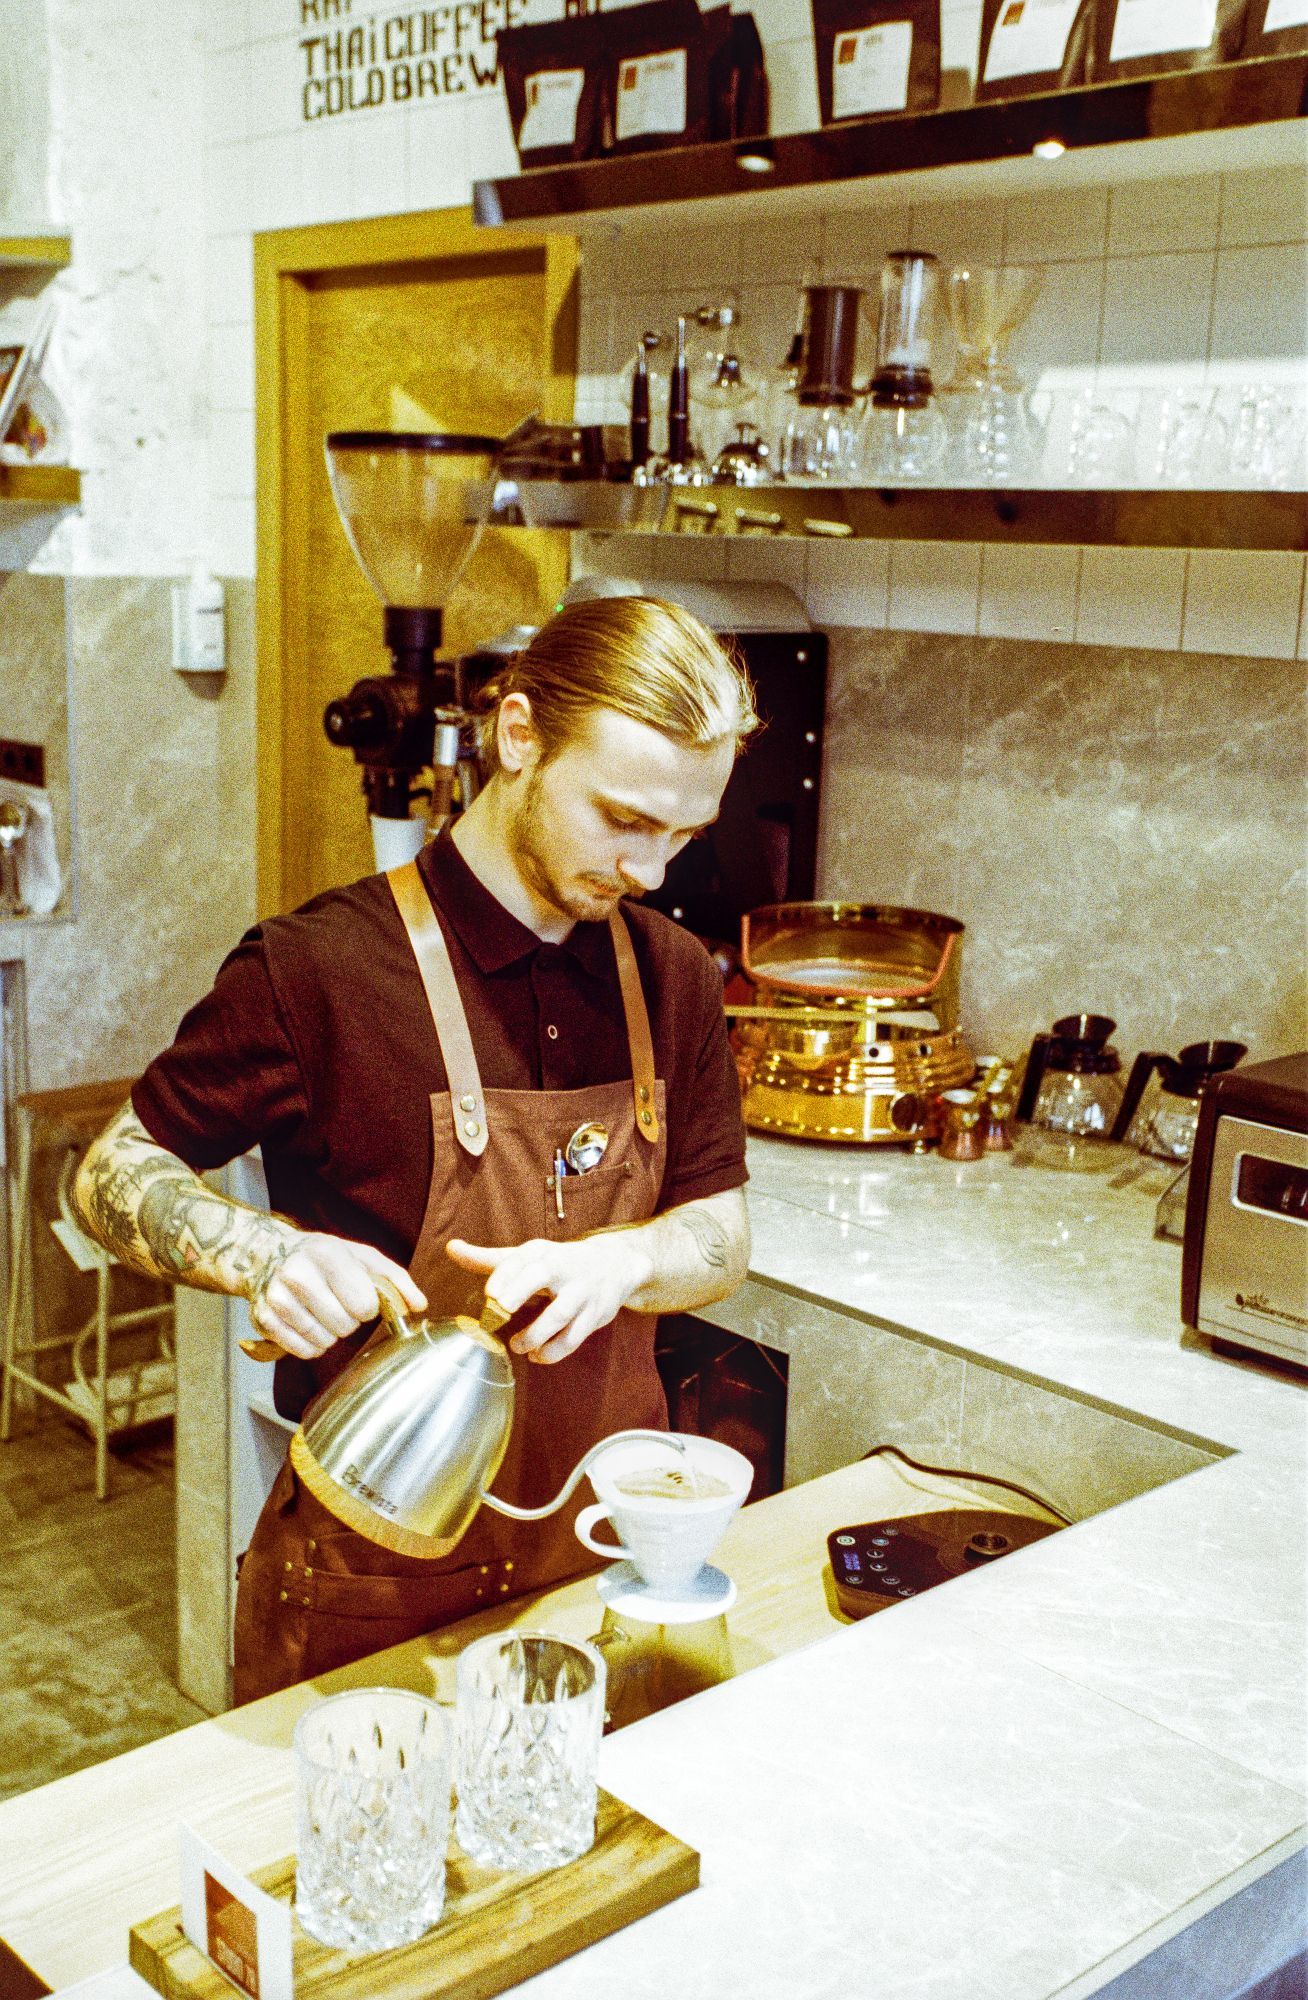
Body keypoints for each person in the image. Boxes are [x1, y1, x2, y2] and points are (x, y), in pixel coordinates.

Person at [73, 594, 757, 1702]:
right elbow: (111, 1168)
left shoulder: (672, 974)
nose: (651, 869)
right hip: (373, 1581)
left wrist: (621, 1262)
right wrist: (265, 1255)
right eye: (624, 818)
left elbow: (720, 1234)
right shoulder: (320, 970)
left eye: (684, 833)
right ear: (520, 736)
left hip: (606, 1559)